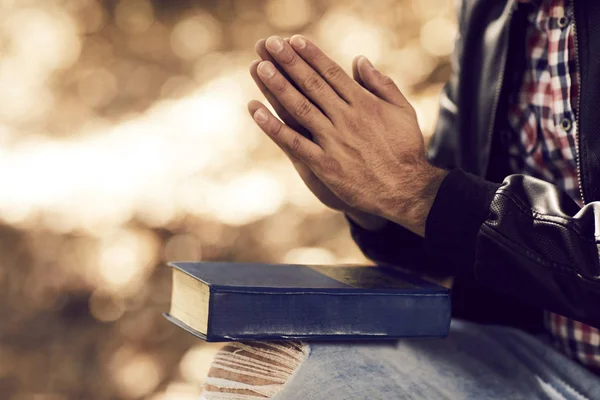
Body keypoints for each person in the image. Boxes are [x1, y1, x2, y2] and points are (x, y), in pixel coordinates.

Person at [201, 0, 600, 398]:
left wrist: (417, 191)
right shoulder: (489, 12)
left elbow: (437, 198)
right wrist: (371, 199)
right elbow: (452, 229)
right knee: (255, 371)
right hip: (524, 353)